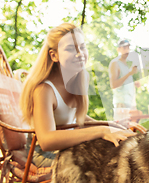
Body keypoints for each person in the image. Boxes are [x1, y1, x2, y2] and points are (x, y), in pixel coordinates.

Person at [20, 23, 137, 168]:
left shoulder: (79, 80)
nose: (80, 53)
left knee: (121, 151)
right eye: (70, 48)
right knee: (108, 164)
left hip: (66, 148)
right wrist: (101, 131)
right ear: (54, 55)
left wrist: (113, 126)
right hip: (42, 155)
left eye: (82, 47)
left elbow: (77, 118)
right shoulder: (44, 90)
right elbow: (46, 141)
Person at [109, 39, 140, 109]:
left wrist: (133, 83)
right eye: (124, 48)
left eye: (128, 48)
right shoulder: (115, 63)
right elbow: (113, 85)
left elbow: (123, 83)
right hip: (121, 104)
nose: (127, 50)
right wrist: (130, 73)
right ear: (118, 49)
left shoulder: (126, 65)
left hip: (131, 103)